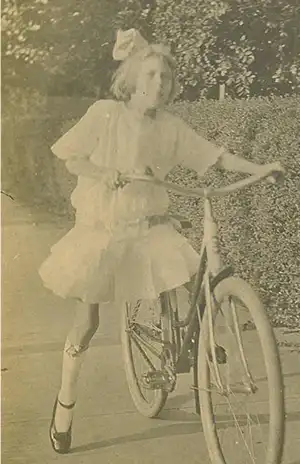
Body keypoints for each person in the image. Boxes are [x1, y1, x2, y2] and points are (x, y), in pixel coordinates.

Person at [41, 28, 284, 454]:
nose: (159, 85)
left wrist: (260, 168)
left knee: (188, 277)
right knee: (88, 321)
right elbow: (71, 156)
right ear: (133, 79)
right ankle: (64, 406)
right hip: (106, 228)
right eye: (151, 76)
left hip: (149, 224)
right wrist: (104, 173)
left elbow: (215, 157)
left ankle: (196, 343)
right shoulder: (107, 114)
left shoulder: (170, 126)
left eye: (166, 79)